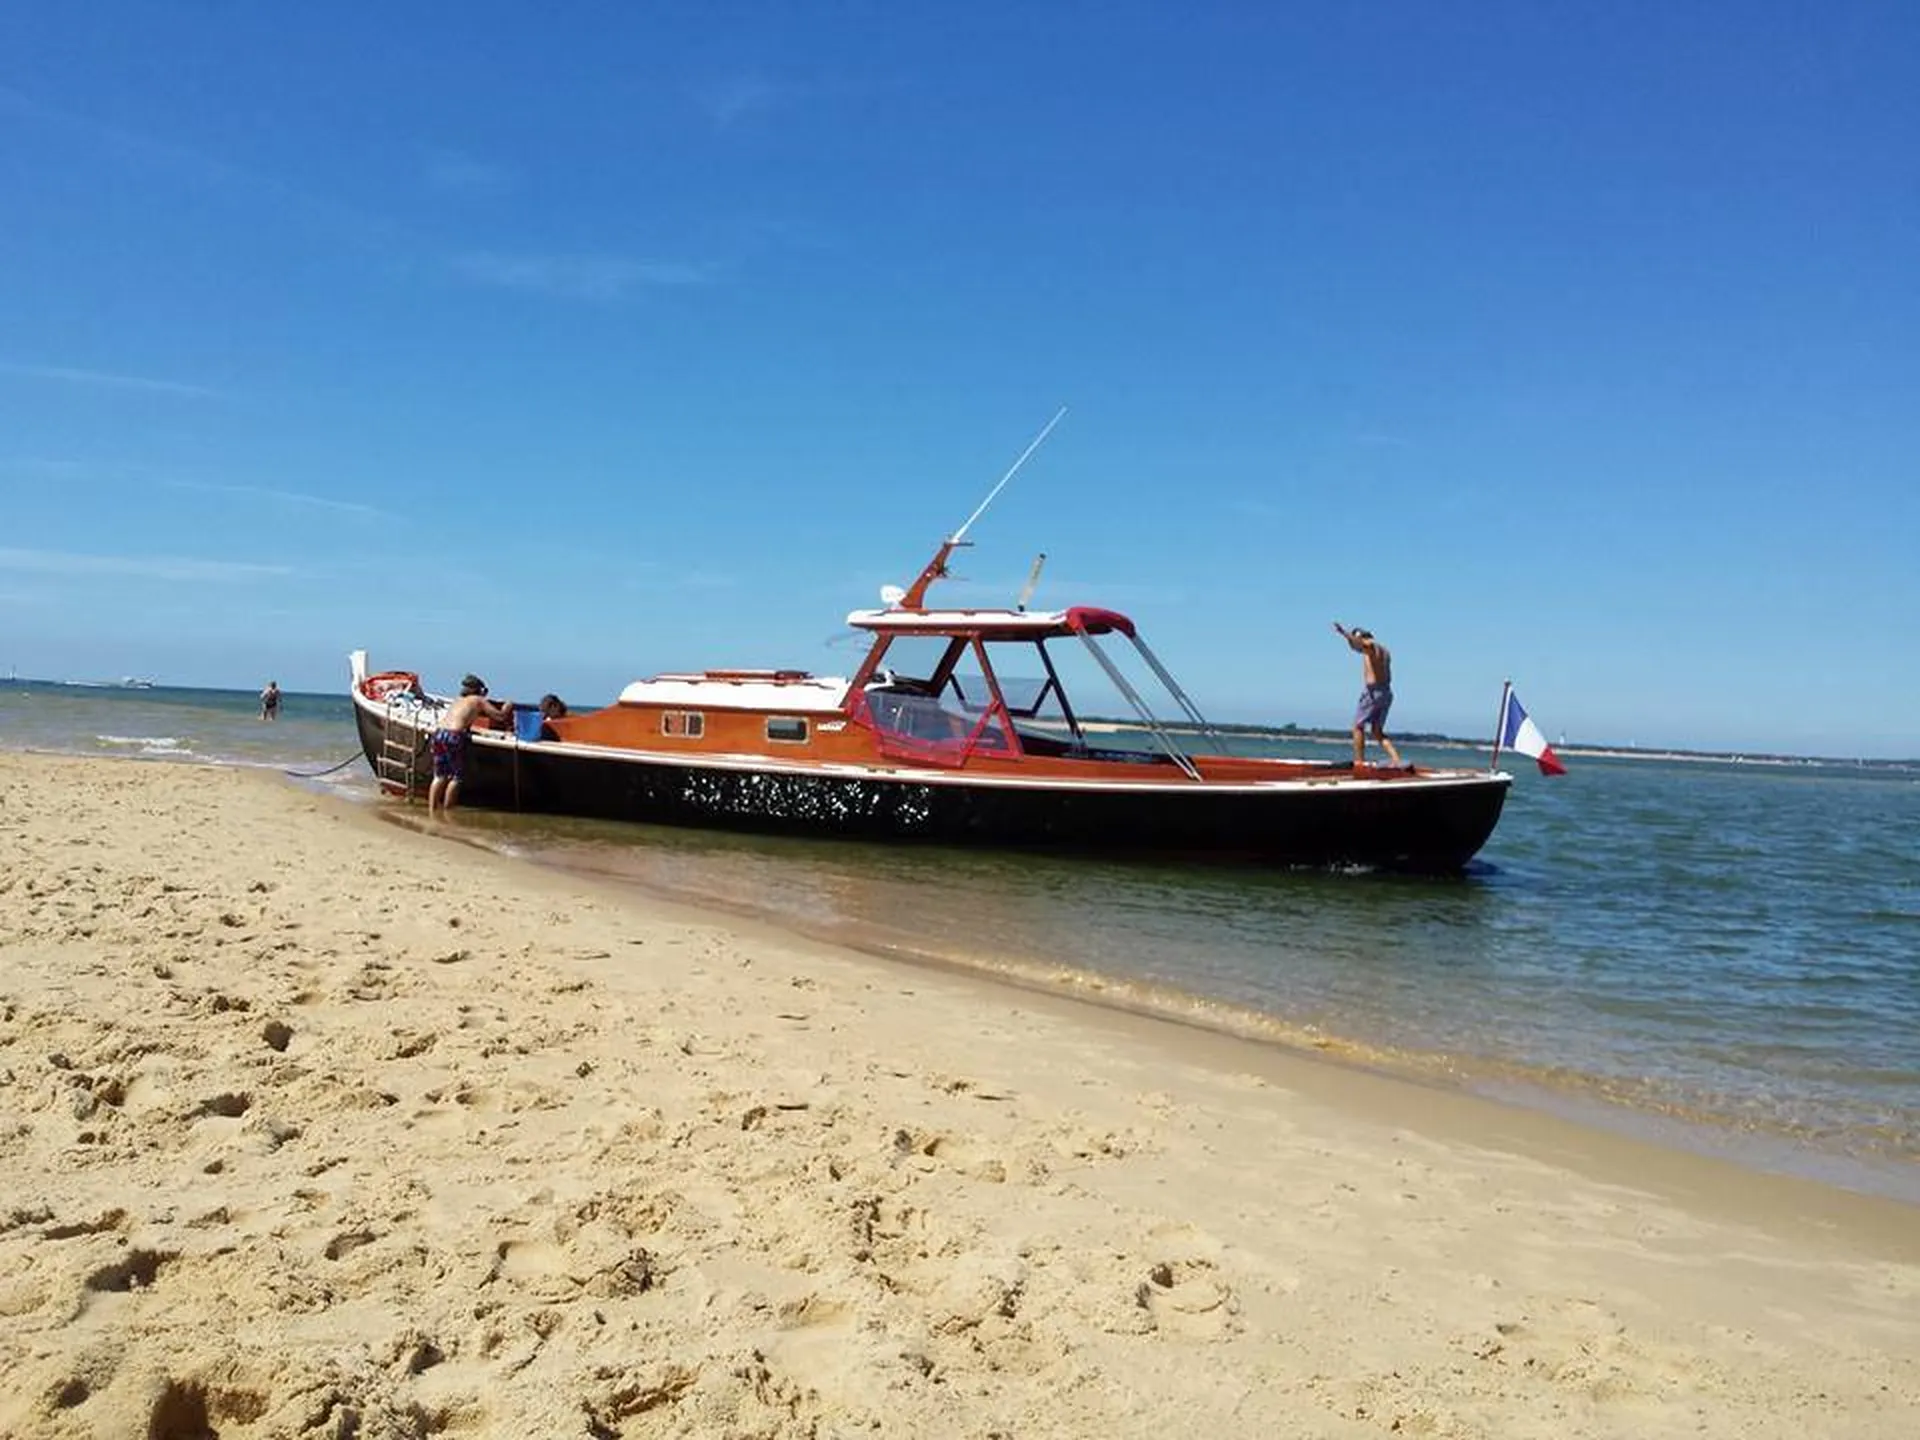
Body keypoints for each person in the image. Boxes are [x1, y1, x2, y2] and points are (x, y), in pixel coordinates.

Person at [428, 674, 513, 815]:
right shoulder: (479, 700)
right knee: (456, 777)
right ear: (479, 690)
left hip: (439, 733)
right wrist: (507, 707)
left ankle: (432, 811)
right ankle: (447, 812)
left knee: (439, 776)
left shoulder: (457, 700)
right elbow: (500, 716)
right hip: (454, 736)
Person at [1333, 622, 1404, 769]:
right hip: (1386, 693)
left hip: (1373, 693)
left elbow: (1361, 644)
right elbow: (1355, 646)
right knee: (1377, 731)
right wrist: (1349, 639)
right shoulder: (1384, 650)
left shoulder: (1371, 647)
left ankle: (1359, 762)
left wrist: (1344, 633)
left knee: (1358, 727)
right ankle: (1396, 759)